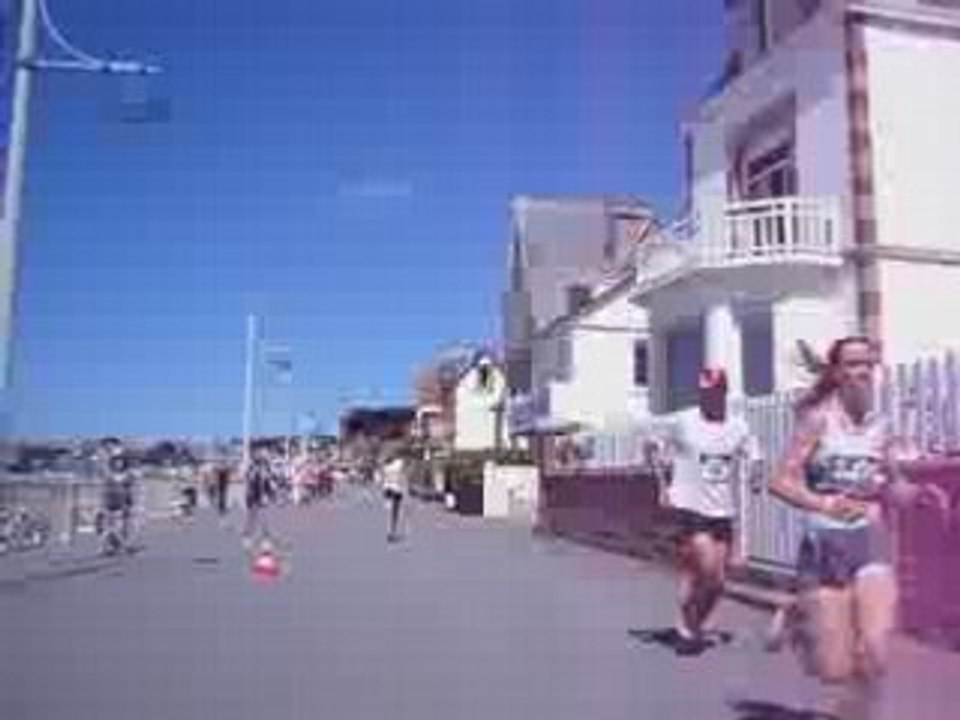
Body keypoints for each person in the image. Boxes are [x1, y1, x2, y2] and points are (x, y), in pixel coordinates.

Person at [769, 336, 949, 720]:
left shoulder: (880, 427)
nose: (862, 372)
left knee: (877, 651)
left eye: (868, 364)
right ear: (836, 373)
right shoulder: (818, 421)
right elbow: (780, 481)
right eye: (852, 364)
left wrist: (919, 495)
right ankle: (800, 618)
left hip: (870, 541)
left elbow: (893, 485)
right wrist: (825, 503)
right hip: (824, 545)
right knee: (834, 668)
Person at [648, 367, 762, 655]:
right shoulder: (683, 421)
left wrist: (756, 474)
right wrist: (662, 485)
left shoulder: (737, 426)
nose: (708, 397)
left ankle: (689, 626)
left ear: (724, 392)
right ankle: (689, 629)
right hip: (690, 506)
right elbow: (651, 446)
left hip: (722, 509)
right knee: (709, 570)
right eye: (704, 392)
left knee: (712, 581)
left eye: (714, 392)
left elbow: (754, 453)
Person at [378, 450, 409, 543]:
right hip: (396, 490)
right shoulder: (399, 464)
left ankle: (389, 531)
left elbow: (382, 479)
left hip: (387, 489)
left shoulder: (385, 467)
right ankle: (392, 531)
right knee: (394, 513)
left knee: (389, 512)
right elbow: (403, 477)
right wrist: (405, 490)